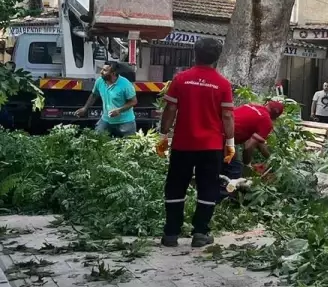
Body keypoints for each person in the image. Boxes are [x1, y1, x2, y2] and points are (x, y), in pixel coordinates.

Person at [155, 37, 234, 248]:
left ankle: (171, 233)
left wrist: (163, 135)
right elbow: (227, 116)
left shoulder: (181, 79)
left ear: (194, 54)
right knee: (208, 187)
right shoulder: (223, 84)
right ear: (217, 58)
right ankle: (200, 233)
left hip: (183, 144)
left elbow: (170, 109)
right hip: (211, 146)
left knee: (175, 186)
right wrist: (231, 143)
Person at [74, 61, 138, 137]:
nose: (101, 72)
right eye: (102, 69)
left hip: (125, 122)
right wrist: (85, 108)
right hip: (106, 120)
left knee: (128, 145)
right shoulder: (100, 81)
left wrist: (119, 110)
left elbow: (133, 101)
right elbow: (94, 95)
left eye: (105, 70)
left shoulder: (125, 84)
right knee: (98, 140)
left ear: (113, 73)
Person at [228, 99, 285, 179]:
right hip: (225, 138)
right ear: (275, 117)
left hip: (216, 129)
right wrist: (247, 166)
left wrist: (270, 159)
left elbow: (258, 142)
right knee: (235, 171)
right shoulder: (266, 121)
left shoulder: (252, 106)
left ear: (266, 105)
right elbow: (249, 146)